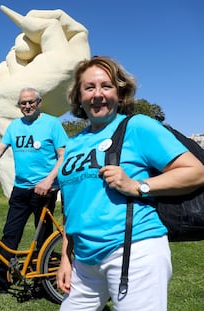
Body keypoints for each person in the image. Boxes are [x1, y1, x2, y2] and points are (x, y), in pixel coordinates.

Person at [56, 56, 204, 310]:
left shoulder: (137, 126)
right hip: (84, 260)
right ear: (78, 97)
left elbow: (195, 171)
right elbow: (72, 207)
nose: (98, 94)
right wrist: (65, 259)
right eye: (89, 87)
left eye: (106, 86)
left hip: (134, 251)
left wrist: (137, 186)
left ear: (120, 93)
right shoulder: (74, 143)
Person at [0, 87, 68, 293]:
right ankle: (0, 280)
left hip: (45, 190)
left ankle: (44, 282)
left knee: (43, 236)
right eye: (23, 103)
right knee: (10, 234)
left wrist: (49, 180)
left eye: (30, 102)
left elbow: (63, 156)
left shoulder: (52, 123)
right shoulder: (15, 126)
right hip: (21, 189)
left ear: (39, 102)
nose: (27, 106)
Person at [0, 6, 90, 196]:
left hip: (42, 186)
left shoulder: (57, 54)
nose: (27, 105)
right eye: (24, 103)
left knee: (2, 93)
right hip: (28, 187)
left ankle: (22, 190)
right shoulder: (62, 56)